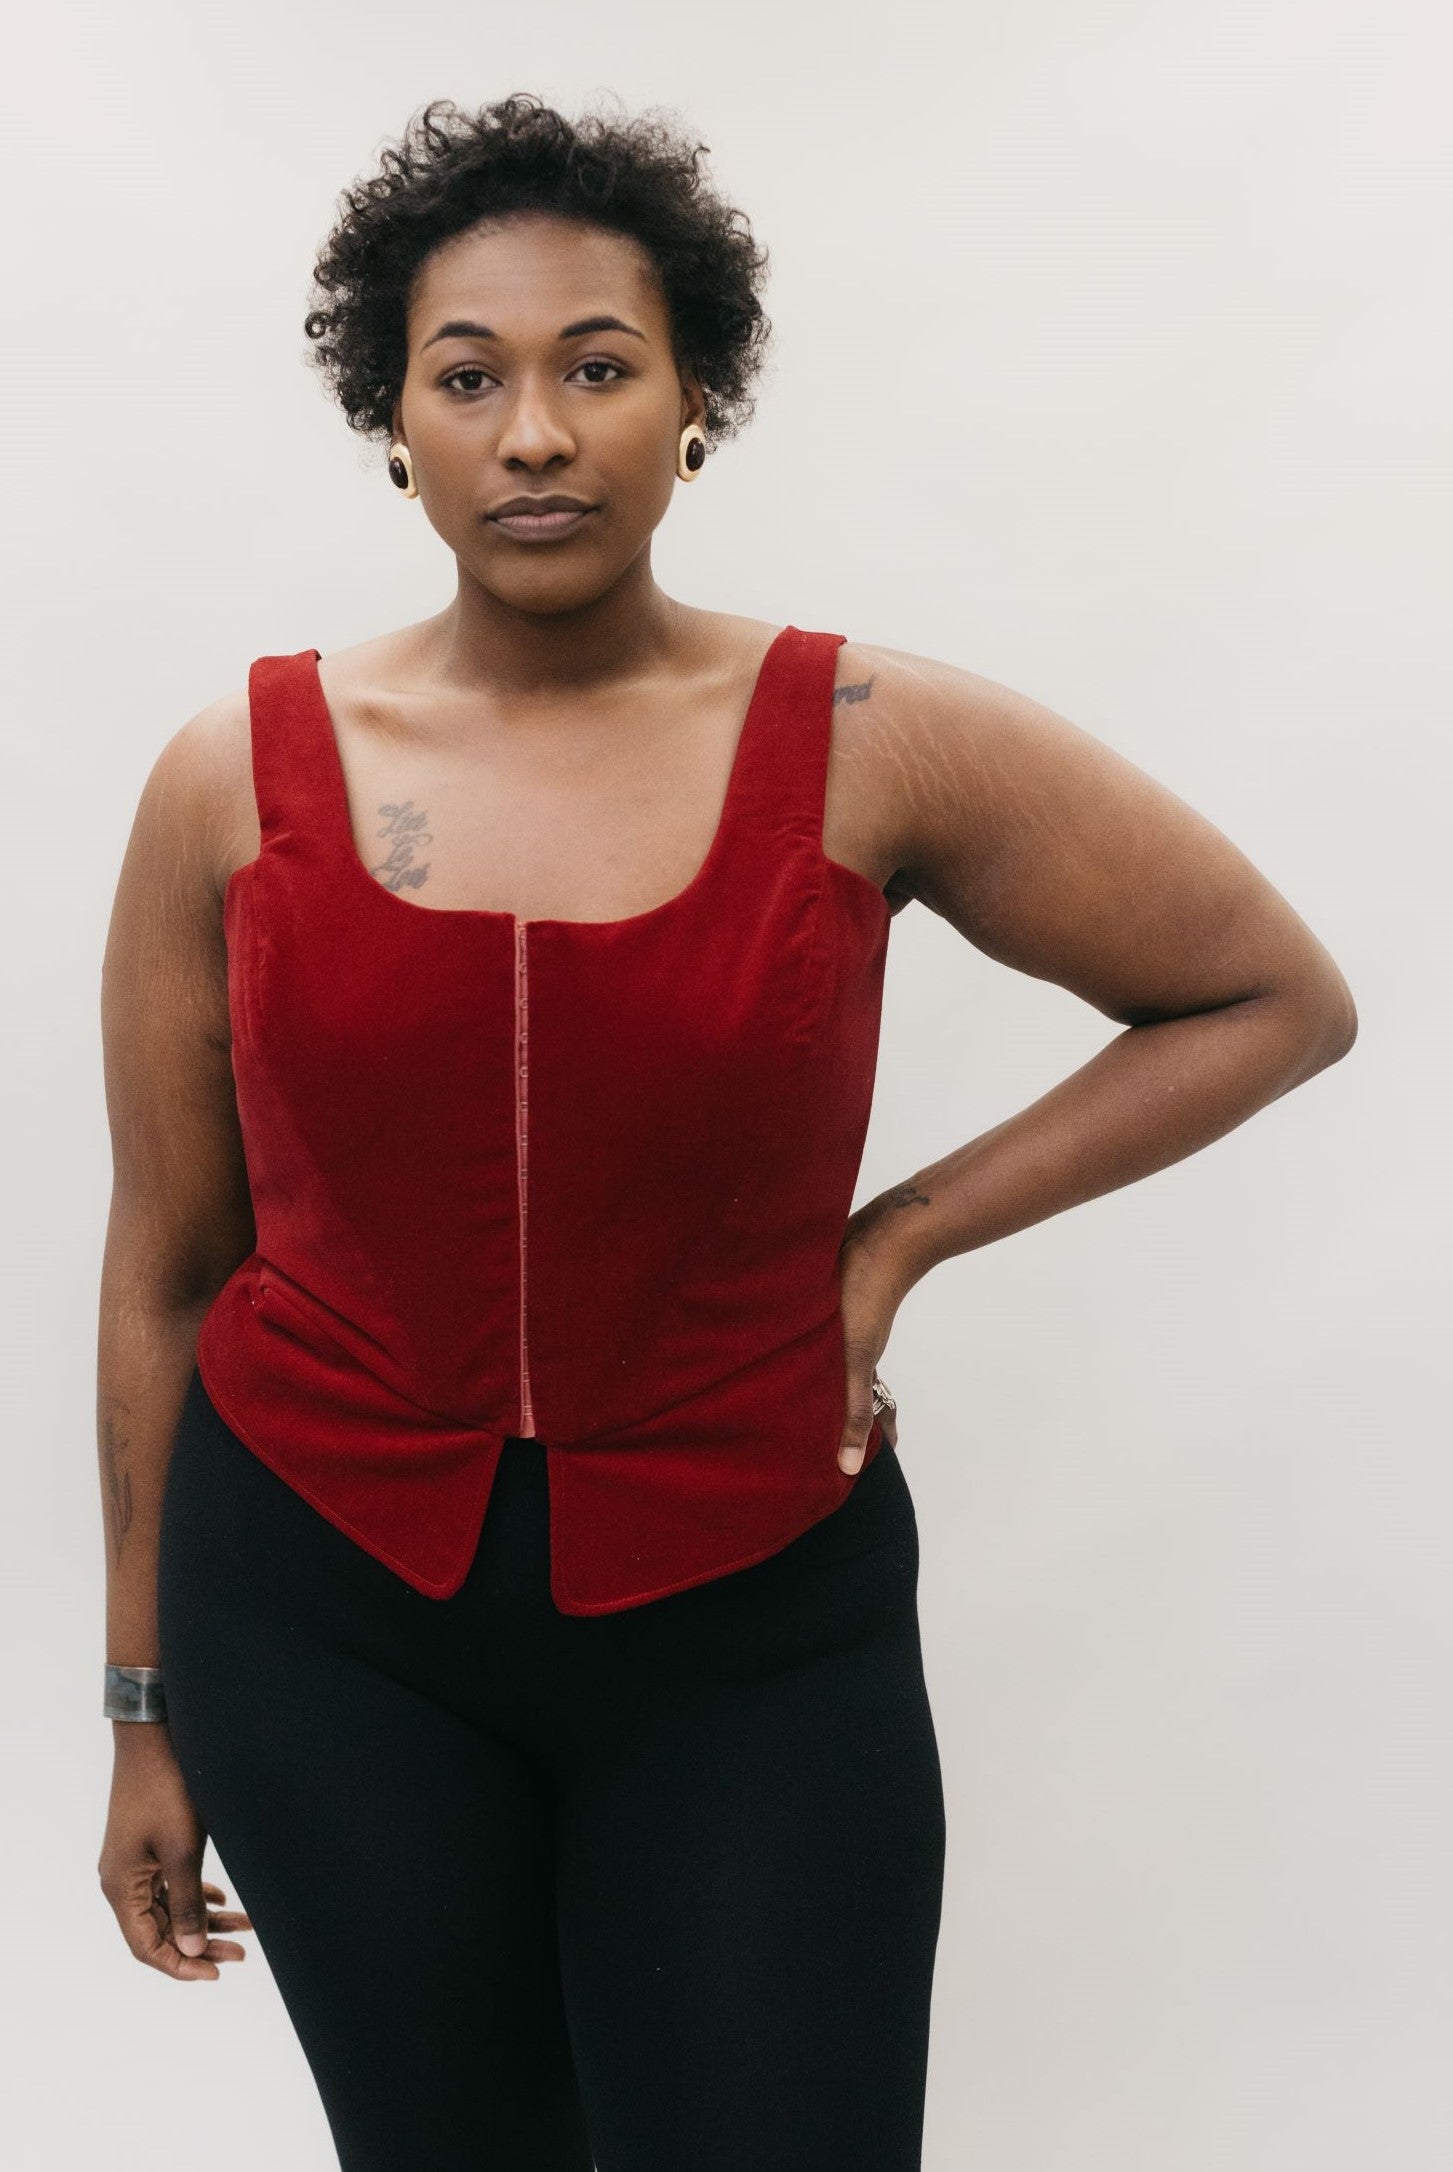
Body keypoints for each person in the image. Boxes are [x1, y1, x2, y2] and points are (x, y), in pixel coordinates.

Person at [94, 92, 1357, 2172]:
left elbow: (1261, 997)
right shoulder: (230, 777)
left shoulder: (868, 738)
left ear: (692, 401)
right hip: (315, 1615)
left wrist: (889, 1244)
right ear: (386, 417)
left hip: (749, 1616)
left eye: (598, 367)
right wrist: (146, 1714)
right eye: (466, 376)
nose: (532, 434)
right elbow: (162, 1269)